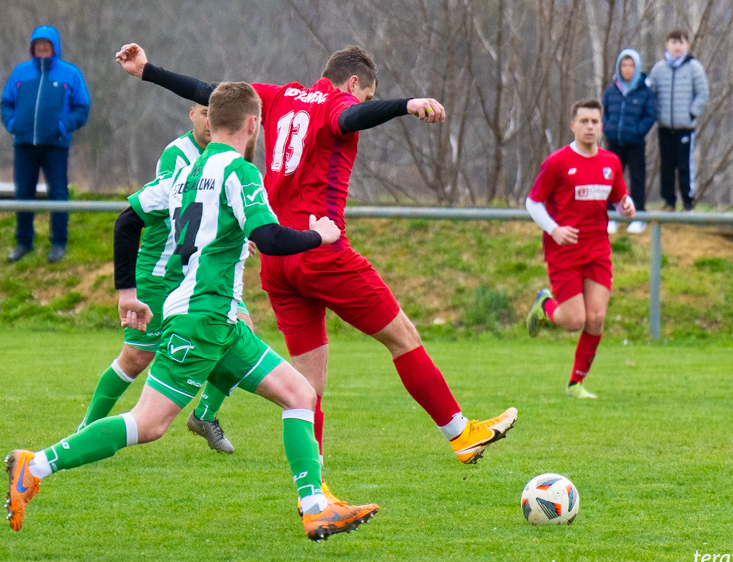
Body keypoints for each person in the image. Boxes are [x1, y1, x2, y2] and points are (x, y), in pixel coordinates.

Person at [114, 44, 517, 490]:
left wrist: (147, 70)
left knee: (308, 386)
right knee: (403, 337)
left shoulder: (280, 97)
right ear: (352, 84)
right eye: (364, 96)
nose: (359, 104)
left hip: (278, 259)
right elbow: (350, 119)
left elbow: (212, 92)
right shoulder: (336, 104)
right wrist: (406, 105)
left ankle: (317, 489)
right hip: (322, 252)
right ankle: (460, 433)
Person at [5, 82, 379, 541]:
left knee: (300, 395)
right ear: (252, 123)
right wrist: (319, 236)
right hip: (202, 319)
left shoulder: (184, 172)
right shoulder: (239, 173)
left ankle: (315, 506)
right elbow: (270, 239)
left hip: (220, 322)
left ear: (212, 120)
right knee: (148, 424)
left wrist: (127, 292)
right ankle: (35, 465)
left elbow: (127, 220)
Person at [76, 103, 245, 455]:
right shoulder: (178, 155)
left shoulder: (229, 157)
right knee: (136, 357)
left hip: (204, 272)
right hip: (162, 269)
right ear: (191, 115)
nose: (210, 122)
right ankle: (85, 432)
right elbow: (176, 212)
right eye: (203, 113)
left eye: (215, 115)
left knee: (240, 332)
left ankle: (204, 415)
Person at [524, 99, 635, 399]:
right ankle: (545, 304)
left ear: (601, 126)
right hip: (565, 251)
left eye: (594, 122)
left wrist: (628, 206)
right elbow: (532, 202)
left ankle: (575, 384)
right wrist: (554, 228)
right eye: (583, 121)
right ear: (573, 125)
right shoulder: (558, 162)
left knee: (596, 319)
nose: (589, 127)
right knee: (575, 321)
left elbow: (620, 198)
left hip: (598, 249)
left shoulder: (610, 162)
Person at [0, 25, 90, 263]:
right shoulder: (20, 72)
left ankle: (59, 242)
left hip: (55, 146)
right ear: (32, 47)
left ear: (54, 46)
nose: (42, 47)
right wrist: (13, 124)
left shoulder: (70, 74)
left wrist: (63, 126)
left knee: (58, 193)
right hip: (24, 145)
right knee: (23, 193)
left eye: (46, 44)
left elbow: (82, 107)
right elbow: (6, 102)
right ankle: (23, 242)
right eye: (38, 44)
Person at [648, 29, 709, 212]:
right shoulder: (659, 69)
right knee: (666, 166)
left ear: (687, 45)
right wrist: (656, 114)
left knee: (684, 166)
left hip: (685, 128)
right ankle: (669, 202)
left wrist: (692, 113)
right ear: (667, 45)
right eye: (673, 42)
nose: (677, 46)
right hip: (665, 126)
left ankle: (688, 202)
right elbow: (651, 93)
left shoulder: (694, 68)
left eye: (681, 42)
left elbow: (702, 93)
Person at [601, 49, 655, 234]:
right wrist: (607, 128)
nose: (627, 69)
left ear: (637, 67)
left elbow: (650, 115)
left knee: (637, 179)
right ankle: (611, 216)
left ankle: (638, 216)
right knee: (611, 178)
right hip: (614, 142)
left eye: (631, 65)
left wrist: (637, 131)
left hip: (635, 143)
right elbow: (604, 111)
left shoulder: (645, 91)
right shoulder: (612, 90)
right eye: (624, 65)